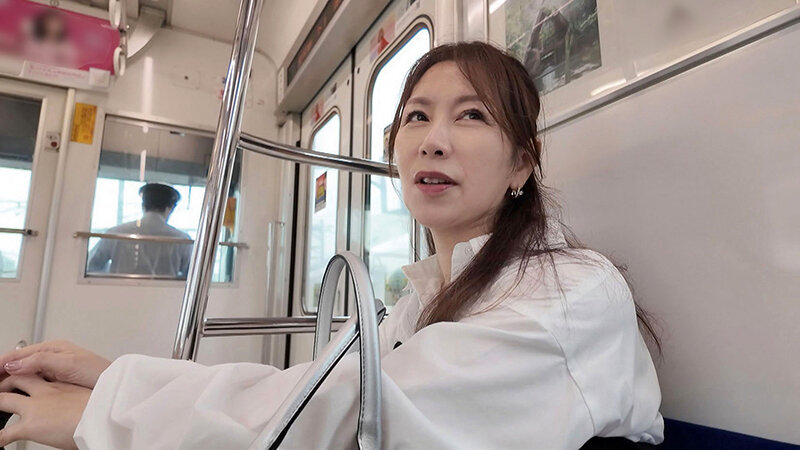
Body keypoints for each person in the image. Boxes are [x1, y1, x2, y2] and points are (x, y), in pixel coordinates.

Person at [0, 42, 664, 449]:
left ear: (522, 162)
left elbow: (358, 424)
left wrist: (108, 414)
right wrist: (115, 376)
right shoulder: (421, 300)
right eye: (416, 116)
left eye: (471, 115)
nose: (433, 140)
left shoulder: (570, 291)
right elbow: (308, 390)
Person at [87, 183, 193, 278]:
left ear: (143, 206)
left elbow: (90, 266)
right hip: (165, 292)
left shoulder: (115, 233)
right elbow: (191, 274)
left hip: (118, 290)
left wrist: (113, 274)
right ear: (170, 208)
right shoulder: (182, 240)